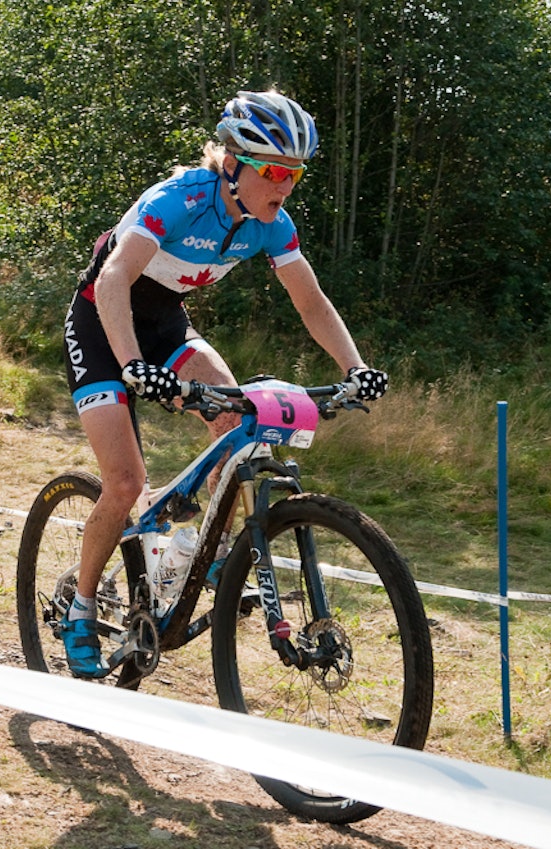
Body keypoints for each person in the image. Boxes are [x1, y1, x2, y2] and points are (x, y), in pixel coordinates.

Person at [60, 89, 389, 678]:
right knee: (126, 480)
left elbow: (310, 302)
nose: (284, 185)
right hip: (101, 323)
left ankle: (201, 550)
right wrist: (134, 365)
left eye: (294, 173)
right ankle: (80, 606)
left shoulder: (270, 224)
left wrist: (354, 367)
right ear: (233, 162)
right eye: (273, 171)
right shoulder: (179, 200)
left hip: (164, 327)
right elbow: (113, 279)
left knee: (239, 419)